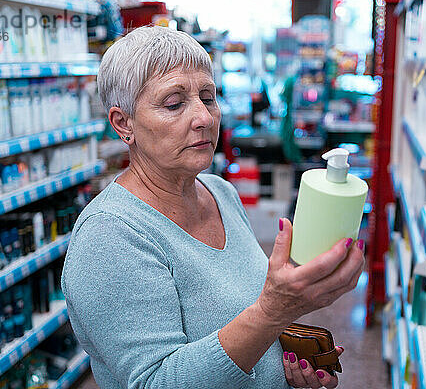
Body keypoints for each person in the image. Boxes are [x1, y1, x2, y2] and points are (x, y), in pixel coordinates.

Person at [61, 26, 365, 389]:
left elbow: (236, 329)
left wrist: (278, 366)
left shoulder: (220, 192)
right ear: (123, 124)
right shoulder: (108, 238)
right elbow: (156, 383)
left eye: (208, 97)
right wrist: (273, 311)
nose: (205, 117)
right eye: (174, 103)